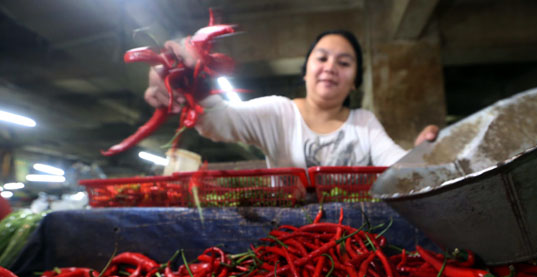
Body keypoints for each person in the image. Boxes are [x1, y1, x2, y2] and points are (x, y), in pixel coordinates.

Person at [144, 30, 439, 168]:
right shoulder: (278, 113)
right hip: (291, 244)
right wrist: (188, 85)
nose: (330, 67)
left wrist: (420, 154)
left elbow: (397, 166)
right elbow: (218, 122)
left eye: (344, 63)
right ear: (306, 71)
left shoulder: (365, 123)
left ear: (354, 83)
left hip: (354, 237)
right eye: (321, 58)